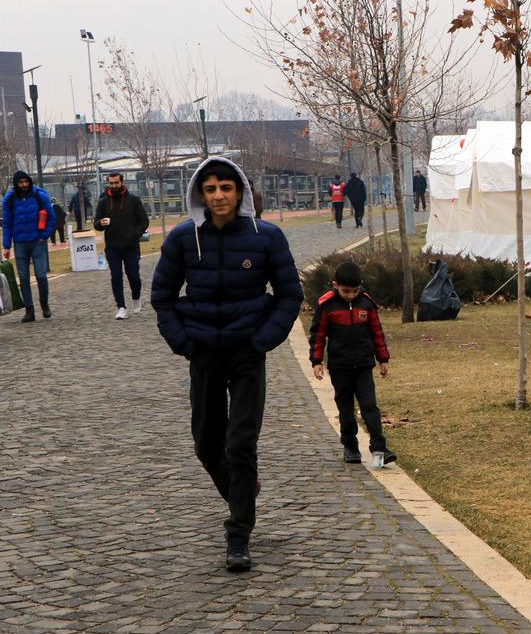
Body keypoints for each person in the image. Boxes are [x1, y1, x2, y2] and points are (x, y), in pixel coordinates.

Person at [151, 157, 303, 573]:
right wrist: (183, 343)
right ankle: (243, 490)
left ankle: (238, 534)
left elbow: (290, 294)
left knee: (241, 442)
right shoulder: (183, 239)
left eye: (226, 188)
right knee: (206, 445)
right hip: (203, 352)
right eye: (211, 188)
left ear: (241, 192)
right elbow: (162, 296)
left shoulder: (266, 237)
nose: (219, 196)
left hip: (247, 352)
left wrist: (262, 340)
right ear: (200, 194)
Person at [309, 261, 397, 466]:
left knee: (370, 407)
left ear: (361, 286)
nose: (350, 295)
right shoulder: (326, 306)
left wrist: (383, 359)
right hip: (340, 367)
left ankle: (379, 449)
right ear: (335, 285)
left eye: (354, 291)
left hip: (364, 365)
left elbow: (377, 333)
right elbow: (318, 335)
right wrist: (316, 361)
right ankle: (350, 445)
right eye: (345, 291)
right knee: (346, 408)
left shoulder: (367, 304)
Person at [94, 172, 150, 320]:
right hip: (112, 246)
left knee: (134, 276)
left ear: (122, 182)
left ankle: (136, 298)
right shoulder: (103, 202)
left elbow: (144, 220)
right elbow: (96, 223)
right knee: (116, 277)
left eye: (116, 183)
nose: (113, 186)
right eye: (111, 183)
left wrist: (135, 233)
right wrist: (100, 223)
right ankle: (121, 307)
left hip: (131, 246)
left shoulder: (134, 200)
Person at [2, 171, 56, 322]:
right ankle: (29, 310)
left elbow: (52, 217)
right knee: (24, 278)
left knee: (40, 275)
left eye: (26, 181)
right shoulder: (10, 200)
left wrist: (44, 236)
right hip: (20, 243)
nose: (24, 185)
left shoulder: (39, 196)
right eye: (21, 182)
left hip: (37, 242)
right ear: (16, 183)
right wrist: (6, 246)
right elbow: (7, 224)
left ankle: (44, 303)